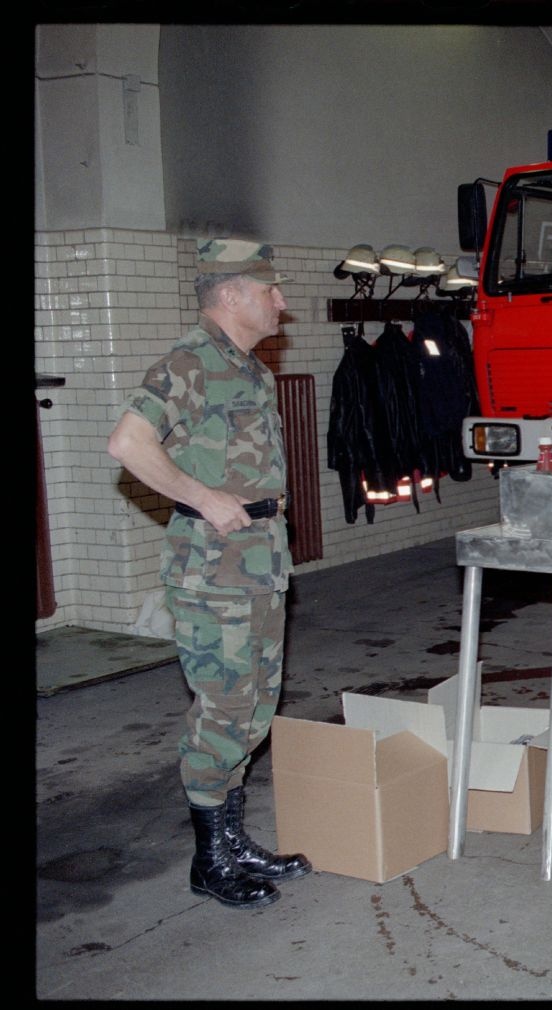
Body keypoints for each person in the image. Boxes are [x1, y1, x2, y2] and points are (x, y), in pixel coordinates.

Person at [108, 239, 312, 908]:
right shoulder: (190, 362)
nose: (281, 301)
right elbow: (128, 443)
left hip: (258, 563)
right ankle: (208, 861)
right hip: (213, 571)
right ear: (230, 295)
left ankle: (233, 841)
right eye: (269, 289)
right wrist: (200, 496)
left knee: (254, 707)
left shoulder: (250, 369)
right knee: (223, 709)